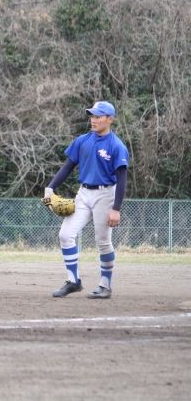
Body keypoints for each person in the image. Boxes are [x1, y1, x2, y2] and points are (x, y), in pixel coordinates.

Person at [44, 101, 129, 299]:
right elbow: (68, 167)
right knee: (65, 235)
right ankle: (73, 281)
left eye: (98, 116)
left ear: (110, 119)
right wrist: (50, 188)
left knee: (103, 241)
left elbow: (122, 179)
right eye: (92, 116)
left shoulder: (116, 146)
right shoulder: (82, 141)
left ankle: (105, 286)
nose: (93, 120)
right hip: (83, 194)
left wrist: (116, 209)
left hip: (105, 195)